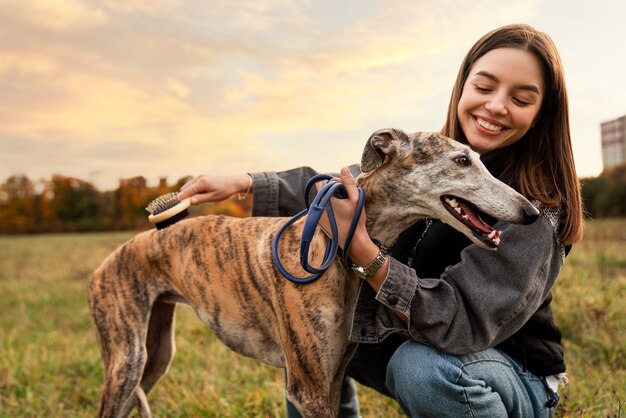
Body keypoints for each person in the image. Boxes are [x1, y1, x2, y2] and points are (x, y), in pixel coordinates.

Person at [178, 24, 584, 417]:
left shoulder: (537, 207)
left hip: (503, 374)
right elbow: (347, 189)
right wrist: (244, 183)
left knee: (422, 368)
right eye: (483, 87)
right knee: (310, 316)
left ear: (541, 112)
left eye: (522, 98)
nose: (496, 105)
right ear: (461, 87)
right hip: (416, 339)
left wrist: (366, 254)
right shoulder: (425, 157)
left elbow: (459, 323)